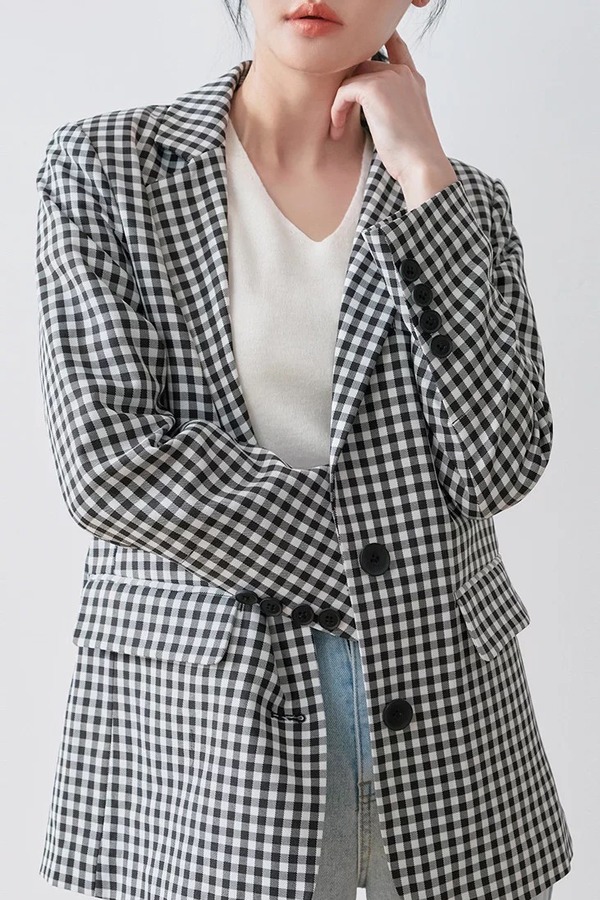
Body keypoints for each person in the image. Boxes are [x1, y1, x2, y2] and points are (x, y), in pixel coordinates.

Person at [35, 1, 572, 898]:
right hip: (205, 723)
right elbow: (111, 465)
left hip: (446, 710)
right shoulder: (108, 168)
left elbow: (500, 460)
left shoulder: (461, 202)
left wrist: (424, 175)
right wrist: (390, 547)